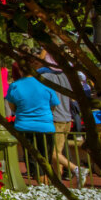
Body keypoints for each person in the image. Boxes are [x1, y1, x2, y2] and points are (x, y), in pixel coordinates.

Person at [37, 53, 89, 183]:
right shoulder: (68, 76)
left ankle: (76, 169)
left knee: (51, 153)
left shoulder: (45, 77)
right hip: (66, 117)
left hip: (54, 118)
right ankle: (58, 182)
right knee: (57, 153)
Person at [6, 61, 58, 185]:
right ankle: (45, 186)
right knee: (46, 158)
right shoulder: (45, 84)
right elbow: (54, 105)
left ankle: (41, 185)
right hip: (45, 125)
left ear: (20, 70)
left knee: (32, 159)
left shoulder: (15, 86)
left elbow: (12, 107)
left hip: (25, 126)